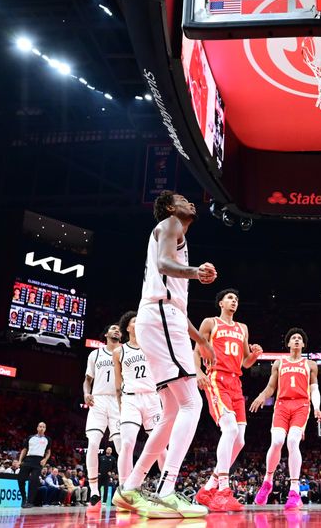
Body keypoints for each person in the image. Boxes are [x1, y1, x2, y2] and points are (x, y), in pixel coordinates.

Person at [113, 190, 216, 519]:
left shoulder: (171, 233)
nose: (191, 203)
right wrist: (196, 271)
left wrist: (200, 339)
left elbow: (172, 299)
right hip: (160, 320)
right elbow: (164, 266)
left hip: (160, 319)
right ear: (171, 207)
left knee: (171, 412)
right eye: (184, 199)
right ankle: (167, 490)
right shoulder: (171, 224)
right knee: (192, 403)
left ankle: (130, 487)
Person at [194, 289, 263, 512]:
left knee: (240, 440)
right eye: (230, 298)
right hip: (216, 378)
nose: (234, 301)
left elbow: (245, 362)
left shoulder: (242, 328)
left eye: (236, 299)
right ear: (221, 302)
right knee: (230, 429)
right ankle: (223, 489)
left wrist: (255, 354)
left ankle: (208, 487)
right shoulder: (210, 322)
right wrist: (197, 371)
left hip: (236, 383)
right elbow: (197, 349)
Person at [250, 328, 321, 510]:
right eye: (294, 338)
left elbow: (314, 389)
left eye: (300, 338)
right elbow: (270, 387)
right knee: (276, 441)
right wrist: (261, 396)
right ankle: (267, 481)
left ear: (304, 344)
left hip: (301, 405)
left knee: (292, 441)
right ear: (288, 344)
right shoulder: (279, 363)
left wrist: (317, 408)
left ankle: (294, 490)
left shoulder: (310, 364)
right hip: (282, 405)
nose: (297, 340)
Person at [112, 310, 165, 501]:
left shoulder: (152, 346)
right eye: (135, 321)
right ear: (128, 327)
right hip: (130, 399)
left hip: (152, 398)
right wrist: (120, 405)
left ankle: (166, 490)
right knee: (127, 443)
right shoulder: (119, 352)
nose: (139, 323)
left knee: (161, 448)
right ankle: (126, 488)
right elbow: (118, 384)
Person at [83, 324, 123, 511]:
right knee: (92, 444)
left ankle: (125, 488)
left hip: (118, 401)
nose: (117, 331)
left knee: (122, 445)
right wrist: (86, 393)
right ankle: (93, 491)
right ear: (106, 334)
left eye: (119, 329)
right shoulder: (95, 354)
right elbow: (87, 380)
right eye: (113, 328)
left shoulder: (126, 352)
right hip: (98, 401)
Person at [18, 422, 51, 508]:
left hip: (38, 461)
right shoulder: (30, 437)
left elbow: (48, 452)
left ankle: (30, 502)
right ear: (37, 428)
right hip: (28, 459)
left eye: (43, 427)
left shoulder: (47, 439)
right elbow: (24, 450)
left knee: (34, 481)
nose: (42, 428)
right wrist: (20, 460)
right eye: (40, 426)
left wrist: (45, 459)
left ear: (45, 429)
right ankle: (23, 498)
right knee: (21, 479)